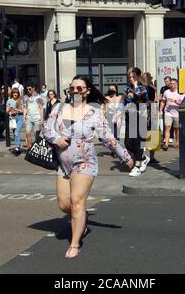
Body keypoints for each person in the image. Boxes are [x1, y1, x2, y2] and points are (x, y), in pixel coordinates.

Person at [43, 75, 134, 259]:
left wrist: (125, 156)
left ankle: (75, 243)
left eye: (79, 88)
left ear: (87, 91)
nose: (75, 91)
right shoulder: (59, 108)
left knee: (77, 202)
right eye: (72, 88)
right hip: (63, 164)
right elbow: (46, 129)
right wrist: (56, 138)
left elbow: (107, 138)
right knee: (64, 204)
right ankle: (80, 218)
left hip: (85, 162)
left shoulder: (94, 114)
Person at [123, 67, 151, 177]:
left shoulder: (143, 88)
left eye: (133, 77)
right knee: (128, 143)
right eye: (129, 77)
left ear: (138, 77)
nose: (131, 79)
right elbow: (126, 101)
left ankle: (137, 166)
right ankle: (143, 158)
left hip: (141, 117)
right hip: (130, 117)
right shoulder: (126, 89)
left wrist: (135, 86)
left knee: (138, 142)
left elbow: (140, 95)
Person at [159, 78, 182, 150]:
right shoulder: (166, 92)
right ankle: (166, 144)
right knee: (167, 127)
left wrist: (174, 101)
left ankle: (177, 143)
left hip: (177, 113)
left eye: (173, 83)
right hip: (168, 113)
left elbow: (182, 103)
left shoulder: (180, 92)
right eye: (170, 83)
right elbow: (163, 101)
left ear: (176, 84)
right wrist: (160, 111)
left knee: (176, 129)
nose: (171, 85)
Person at [23, 82, 44, 149]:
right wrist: (24, 117)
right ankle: (29, 146)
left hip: (37, 118)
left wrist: (42, 118)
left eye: (29, 89)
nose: (28, 90)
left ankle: (37, 147)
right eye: (27, 89)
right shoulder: (26, 97)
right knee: (27, 133)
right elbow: (25, 108)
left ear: (33, 88)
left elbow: (41, 108)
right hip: (28, 117)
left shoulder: (39, 97)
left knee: (36, 133)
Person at [7, 88, 24, 155]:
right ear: (12, 93)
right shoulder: (9, 101)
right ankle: (18, 146)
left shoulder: (21, 101)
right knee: (15, 133)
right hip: (13, 118)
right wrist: (10, 110)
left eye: (16, 93)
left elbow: (23, 111)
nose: (15, 94)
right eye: (14, 93)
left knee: (16, 132)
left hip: (19, 117)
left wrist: (17, 110)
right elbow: (7, 111)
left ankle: (17, 148)